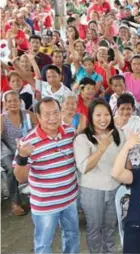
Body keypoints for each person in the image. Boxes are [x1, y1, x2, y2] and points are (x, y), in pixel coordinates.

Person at [14, 97, 80, 253]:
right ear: (38, 117)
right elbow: (20, 178)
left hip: (70, 199)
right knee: (44, 244)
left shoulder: (70, 132)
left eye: (56, 113)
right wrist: (22, 157)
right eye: (47, 114)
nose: (53, 118)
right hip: (45, 205)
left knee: (72, 236)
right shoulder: (27, 142)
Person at [73, 98, 126, 253]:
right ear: (91, 117)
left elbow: (124, 160)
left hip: (114, 187)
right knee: (94, 227)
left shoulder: (118, 134)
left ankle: (109, 251)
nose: (103, 119)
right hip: (92, 190)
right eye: (98, 115)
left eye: (106, 114)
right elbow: (84, 167)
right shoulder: (82, 138)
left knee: (110, 226)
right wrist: (101, 149)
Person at [1, 91, 37, 216]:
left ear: (20, 102)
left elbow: (39, 127)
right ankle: (15, 202)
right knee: (12, 168)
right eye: (9, 101)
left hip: (25, 148)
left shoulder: (27, 114)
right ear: (5, 103)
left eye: (15, 100)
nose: (12, 103)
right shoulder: (3, 118)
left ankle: (38, 197)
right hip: (7, 149)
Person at [115, 93, 140, 168]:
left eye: (128, 109)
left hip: (136, 162)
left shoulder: (139, 122)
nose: (125, 112)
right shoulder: (111, 123)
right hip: (117, 162)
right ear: (117, 108)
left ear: (133, 109)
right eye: (122, 108)